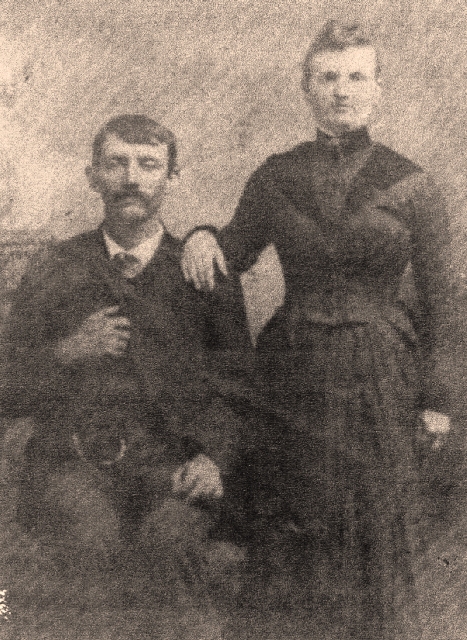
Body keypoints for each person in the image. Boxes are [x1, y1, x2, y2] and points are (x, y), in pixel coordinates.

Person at [180, 20, 453, 639]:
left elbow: (443, 303)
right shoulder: (275, 175)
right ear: (306, 88)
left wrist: (438, 401)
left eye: (356, 77)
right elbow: (233, 250)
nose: (341, 90)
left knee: (376, 523)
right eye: (327, 77)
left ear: (378, 87)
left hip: (381, 374)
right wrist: (200, 234)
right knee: (293, 517)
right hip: (293, 370)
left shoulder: (412, 183)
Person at [1, 114, 252, 604]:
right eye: (116, 163)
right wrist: (66, 352)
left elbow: (241, 389)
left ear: (171, 177)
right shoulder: (56, 268)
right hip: (74, 465)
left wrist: (213, 458)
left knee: (168, 544)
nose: (132, 178)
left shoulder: (204, 271)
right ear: (92, 176)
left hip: (174, 469)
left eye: (148, 165)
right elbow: (6, 389)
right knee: (90, 542)